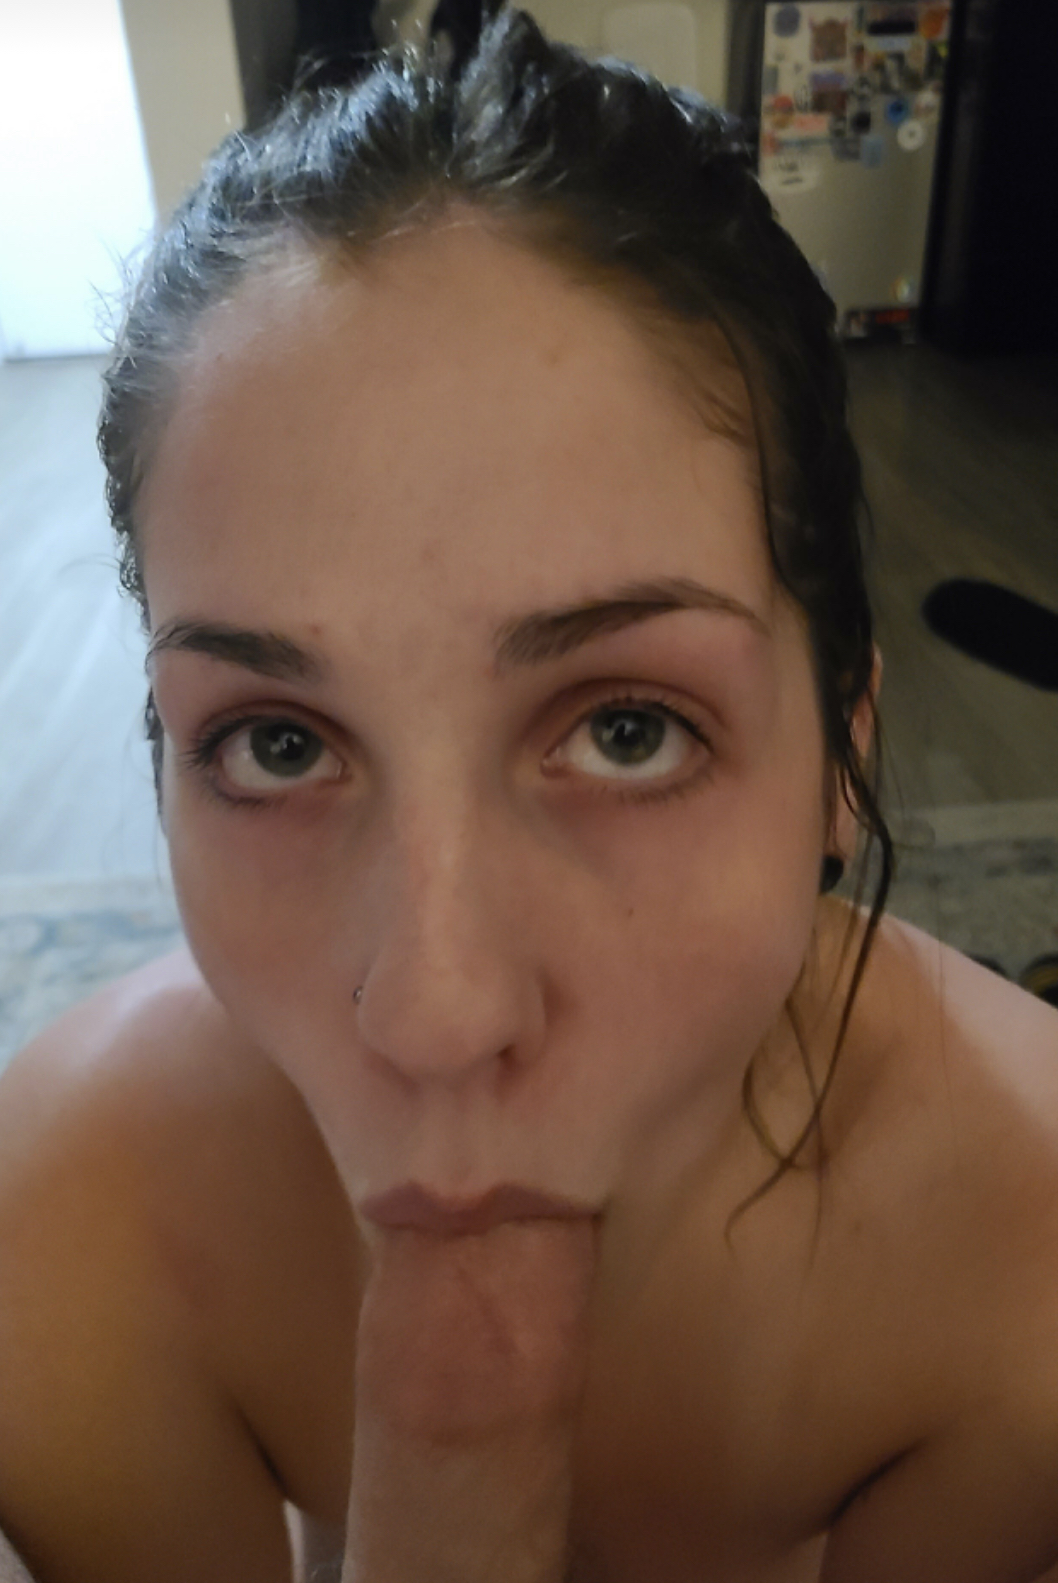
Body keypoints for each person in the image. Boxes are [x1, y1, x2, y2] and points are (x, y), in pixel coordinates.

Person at [2, 9, 1058, 1581]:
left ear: (841, 755)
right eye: (277, 744)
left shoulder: (1027, 1252)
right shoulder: (63, 1242)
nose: (438, 1012)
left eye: (627, 730)